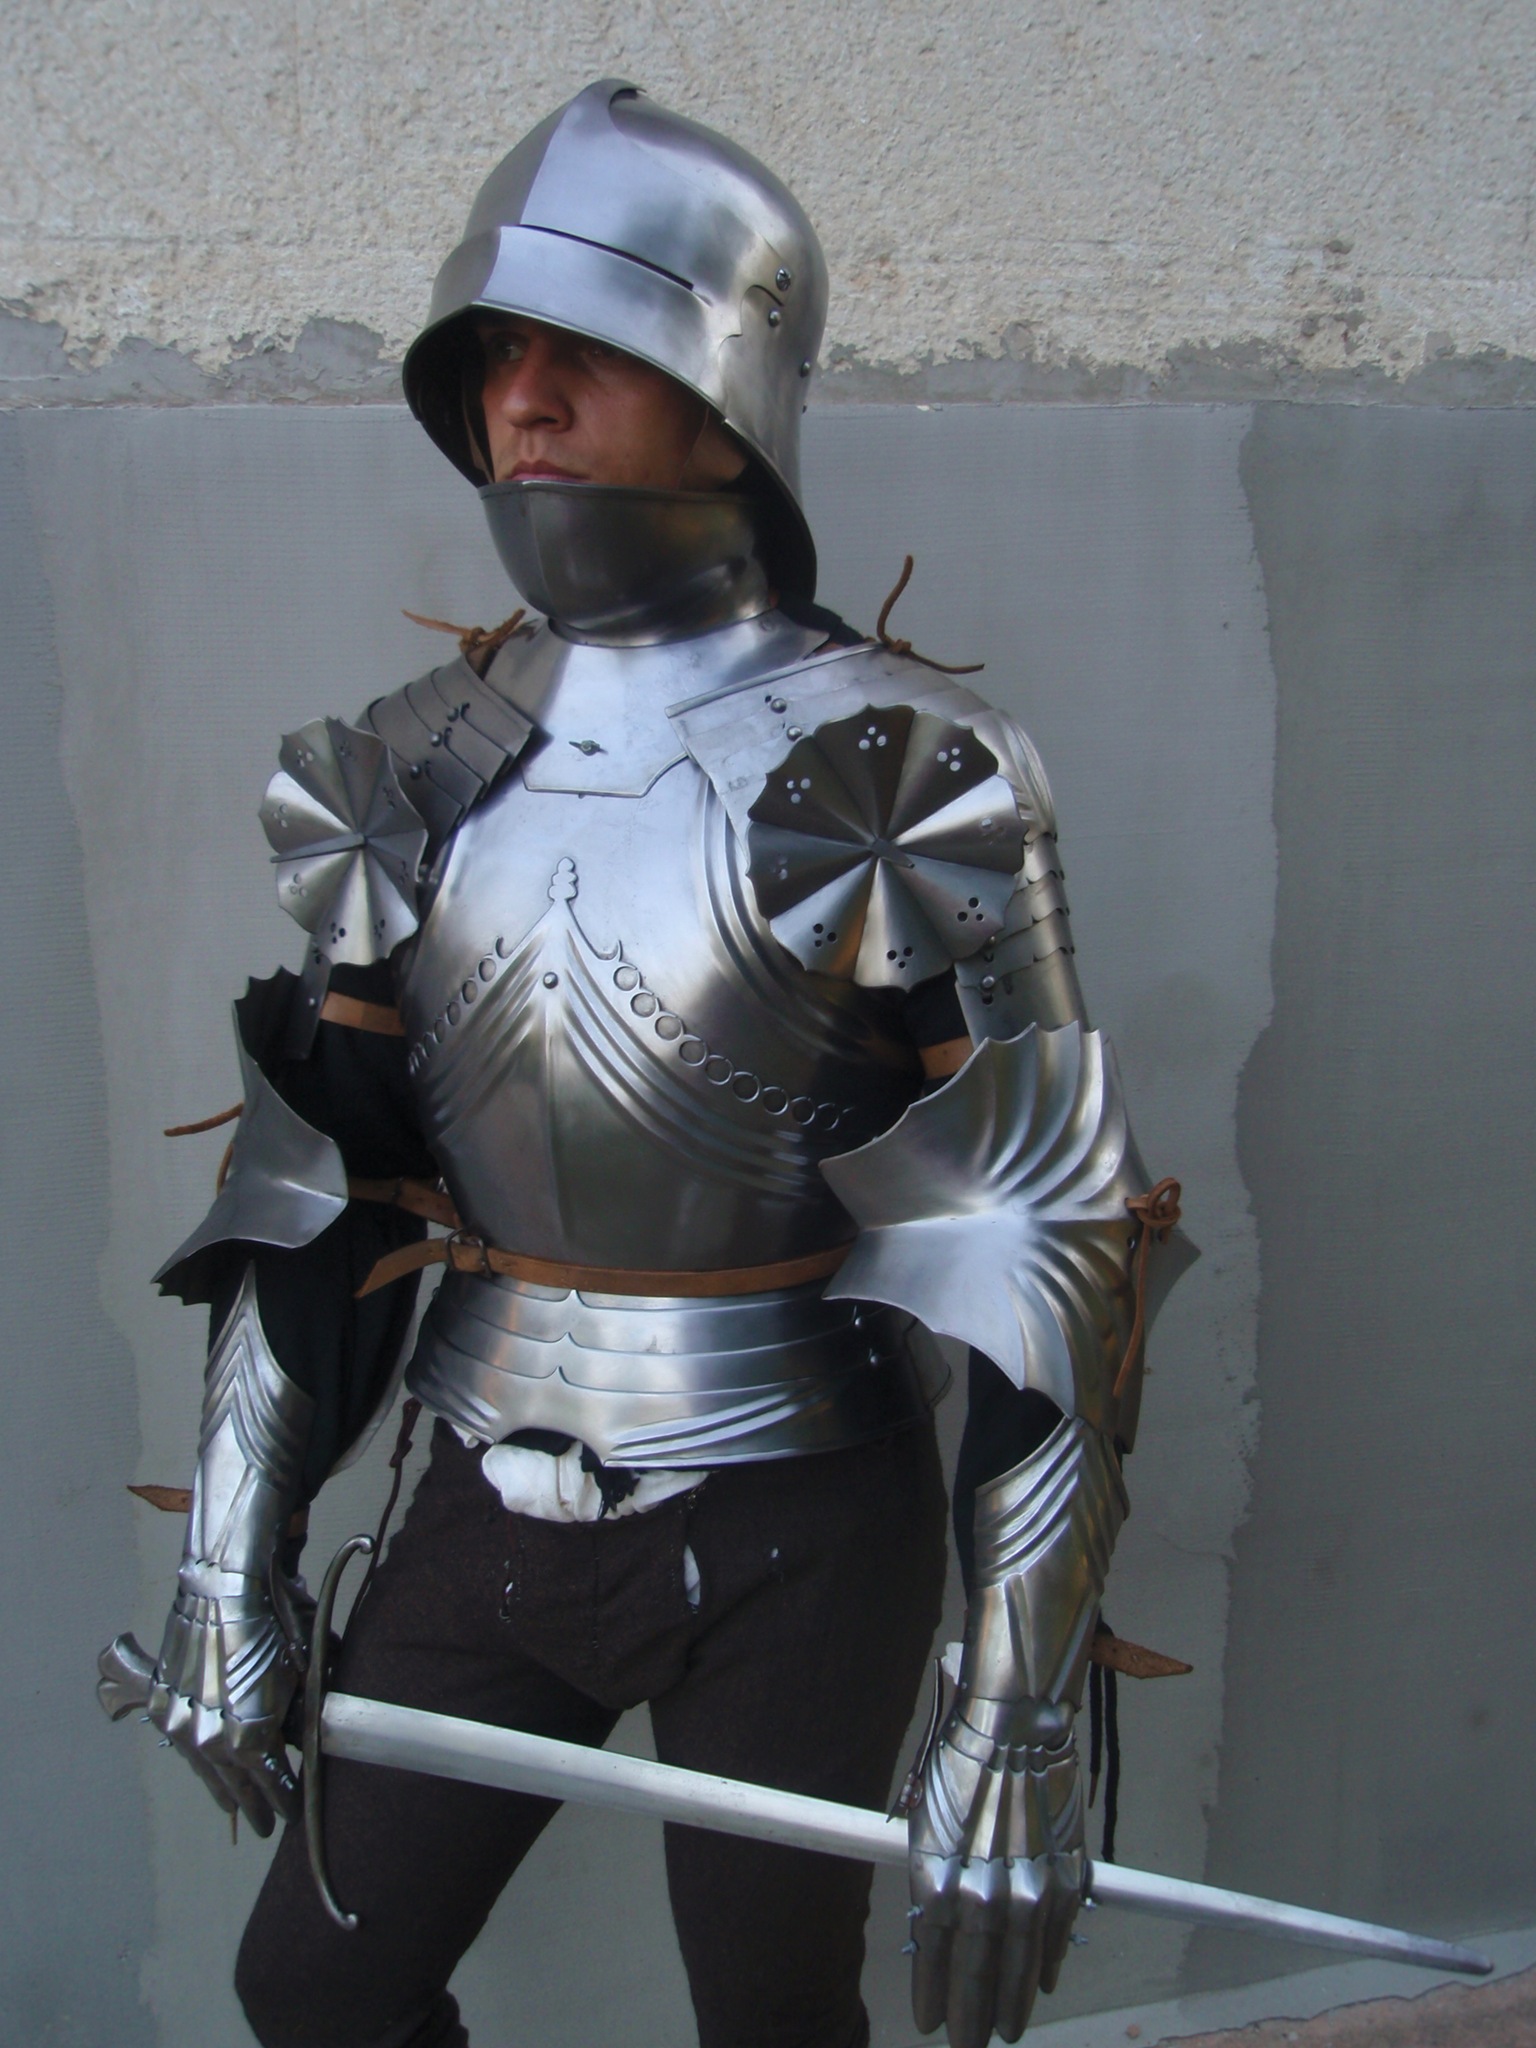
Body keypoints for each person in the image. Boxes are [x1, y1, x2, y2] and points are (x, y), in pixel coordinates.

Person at [101, 79, 1191, 2048]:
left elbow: (1048, 1245)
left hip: (796, 1508)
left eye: (581, 347)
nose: (520, 401)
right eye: (491, 356)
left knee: (772, 2018)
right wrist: (229, 1559)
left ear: (726, 387)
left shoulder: (897, 774)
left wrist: (1014, 1704)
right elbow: (317, 1188)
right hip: (483, 1480)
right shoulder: (412, 761)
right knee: (318, 1990)